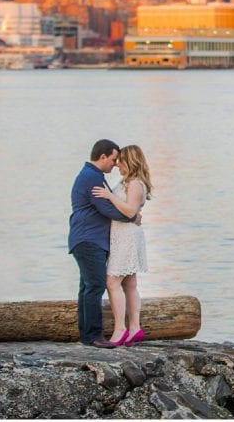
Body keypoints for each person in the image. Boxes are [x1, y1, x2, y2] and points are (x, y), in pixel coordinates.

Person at [67, 139, 141, 348]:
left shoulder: (92, 175)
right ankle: (94, 336)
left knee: (87, 287)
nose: (115, 164)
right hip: (89, 239)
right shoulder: (92, 178)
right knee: (95, 286)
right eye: (113, 159)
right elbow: (106, 209)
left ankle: (87, 335)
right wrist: (132, 217)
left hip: (87, 238)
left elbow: (106, 206)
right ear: (103, 157)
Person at [92, 144, 152, 346]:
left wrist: (109, 196)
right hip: (122, 234)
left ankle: (121, 329)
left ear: (130, 161)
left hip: (126, 236)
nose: (117, 164)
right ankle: (135, 328)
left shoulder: (135, 183)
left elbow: (129, 211)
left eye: (121, 161)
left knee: (112, 282)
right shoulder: (128, 182)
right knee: (129, 283)